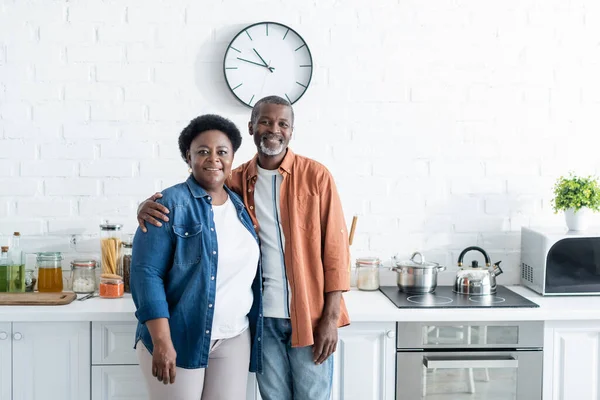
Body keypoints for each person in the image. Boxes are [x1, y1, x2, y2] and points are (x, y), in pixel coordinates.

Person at [137, 96, 350, 400]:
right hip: (261, 320)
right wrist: (145, 207)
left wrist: (331, 318)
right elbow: (193, 196)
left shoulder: (316, 177)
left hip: (309, 317)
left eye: (282, 123)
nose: (273, 129)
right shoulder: (235, 181)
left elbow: (336, 251)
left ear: (291, 131)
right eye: (265, 121)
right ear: (251, 127)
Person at [130, 114, 263, 400]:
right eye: (202, 151)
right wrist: (162, 342)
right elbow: (145, 275)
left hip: (234, 337)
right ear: (188, 157)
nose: (213, 158)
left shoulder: (241, 205)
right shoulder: (168, 204)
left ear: (232, 158)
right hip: (180, 336)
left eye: (222, 152)